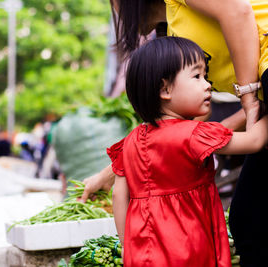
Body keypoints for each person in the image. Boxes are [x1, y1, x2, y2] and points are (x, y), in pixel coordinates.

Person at [82, 1, 268, 265]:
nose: (207, 86)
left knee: (249, 219)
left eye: (206, 76)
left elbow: (119, 194)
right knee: (250, 219)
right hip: (193, 247)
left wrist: (127, 245)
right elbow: (242, 138)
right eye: (198, 77)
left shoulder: (134, 139)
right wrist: (256, 105)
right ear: (165, 90)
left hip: (148, 254)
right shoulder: (192, 132)